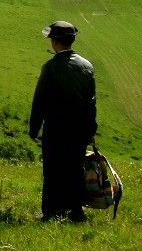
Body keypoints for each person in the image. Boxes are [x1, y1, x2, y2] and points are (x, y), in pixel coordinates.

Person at [29, 19, 96, 222]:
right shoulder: (87, 66)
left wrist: (34, 129)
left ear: (55, 42)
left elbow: (39, 102)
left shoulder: (50, 68)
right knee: (75, 169)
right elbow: (91, 103)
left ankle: (51, 211)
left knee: (53, 170)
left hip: (56, 129)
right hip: (79, 130)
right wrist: (91, 130)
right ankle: (76, 211)